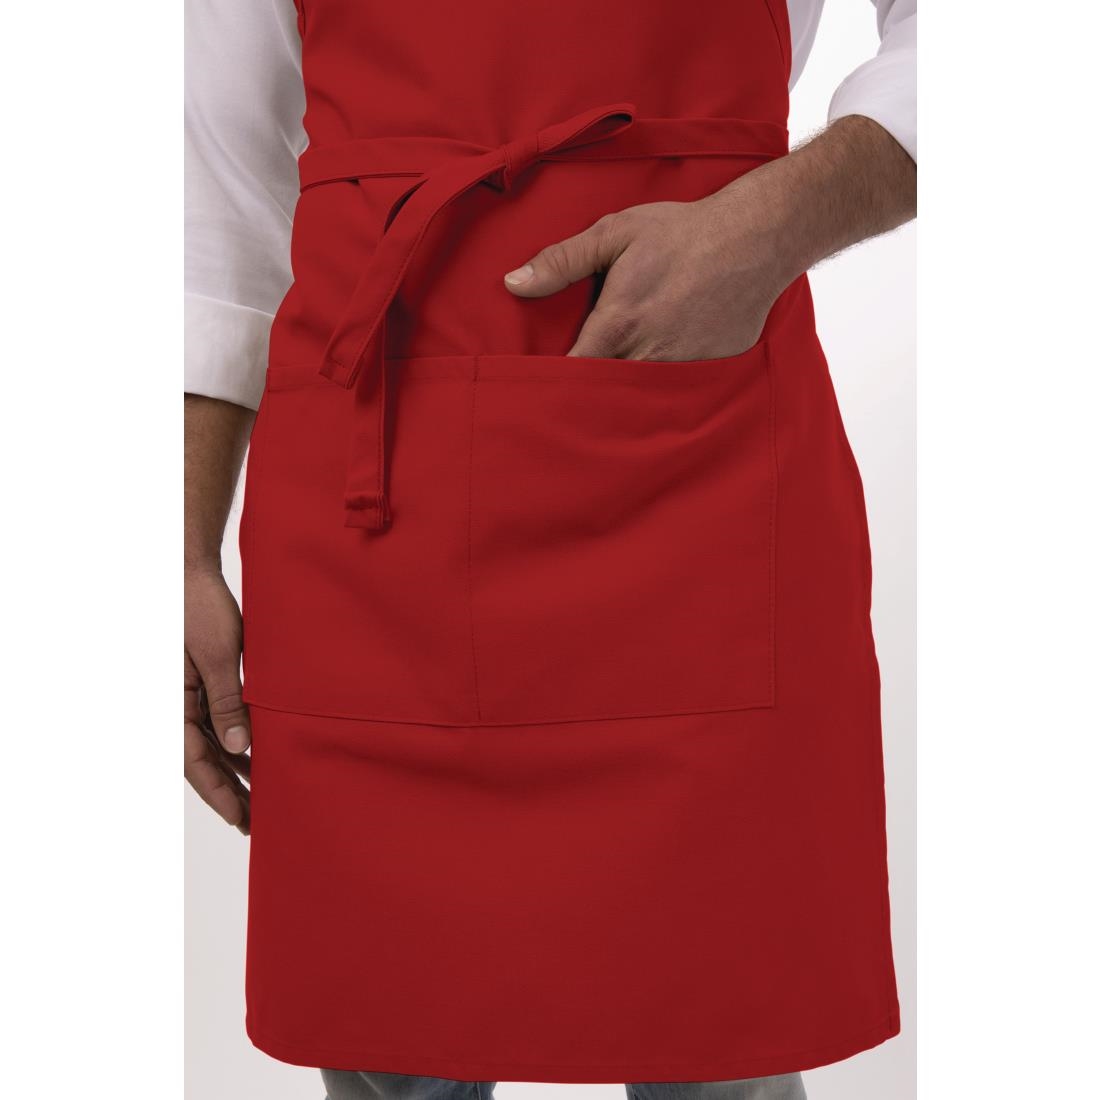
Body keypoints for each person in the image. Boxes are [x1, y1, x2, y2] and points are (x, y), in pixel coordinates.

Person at [185, 2, 916, 1098]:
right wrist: (179, 545)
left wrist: (766, 226)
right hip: (377, 507)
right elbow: (218, 192)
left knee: (722, 1033)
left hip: (696, 475)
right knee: (393, 1045)